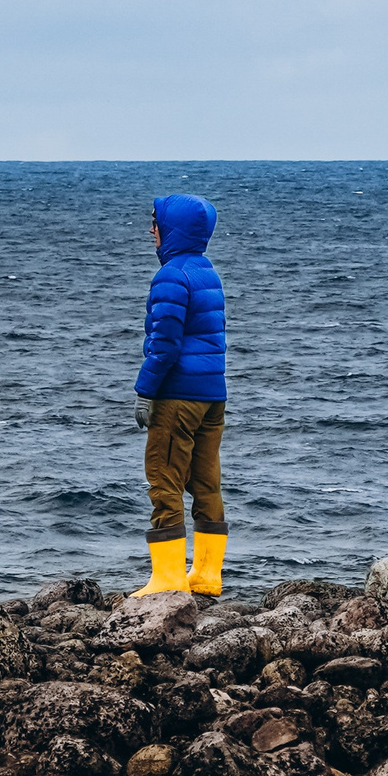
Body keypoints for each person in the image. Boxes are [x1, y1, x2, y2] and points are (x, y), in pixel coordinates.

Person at [132, 193, 228, 596]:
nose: (151, 230)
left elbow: (165, 345)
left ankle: (168, 579)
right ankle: (207, 576)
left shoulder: (171, 275)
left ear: (171, 230)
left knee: (163, 477)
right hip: (212, 394)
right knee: (206, 481)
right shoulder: (207, 271)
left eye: (155, 223)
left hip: (178, 396)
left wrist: (145, 391)